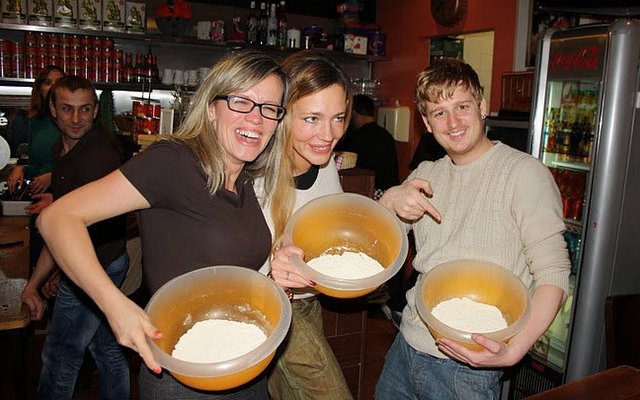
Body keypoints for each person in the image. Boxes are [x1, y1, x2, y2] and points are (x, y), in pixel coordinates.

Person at [36, 50, 288, 399]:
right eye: (241, 102)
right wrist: (114, 304)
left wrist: (276, 278)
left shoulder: (245, 178)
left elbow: (223, 269)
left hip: (245, 365)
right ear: (212, 108)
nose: (257, 119)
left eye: (270, 108)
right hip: (181, 375)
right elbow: (58, 218)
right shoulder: (173, 162)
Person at [374, 59, 571, 400]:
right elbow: (378, 246)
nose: (452, 122)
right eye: (439, 112)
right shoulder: (426, 174)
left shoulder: (523, 174)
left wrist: (516, 349)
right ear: (427, 123)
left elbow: (554, 274)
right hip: (405, 347)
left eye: (462, 107)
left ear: (482, 107)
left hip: (468, 367)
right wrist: (389, 200)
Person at [20, 75, 129, 399]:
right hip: (104, 257)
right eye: (67, 109)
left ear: (96, 111)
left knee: (60, 355)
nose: (76, 119)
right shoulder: (64, 147)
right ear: (52, 109)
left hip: (95, 265)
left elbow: (66, 229)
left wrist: (36, 281)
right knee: (106, 349)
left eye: (84, 110)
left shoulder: (96, 156)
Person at [254, 50, 354, 400]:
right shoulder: (253, 176)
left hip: (311, 304)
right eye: (312, 118)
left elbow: (332, 225)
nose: (328, 134)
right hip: (271, 307)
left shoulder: (324, 163)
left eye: (338, 117)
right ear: (281, 116)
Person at [339, 94, 399, 199]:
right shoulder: (386, 135)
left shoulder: (356, 137)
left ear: (354, 114)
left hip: (370, 193)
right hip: (391, 193)